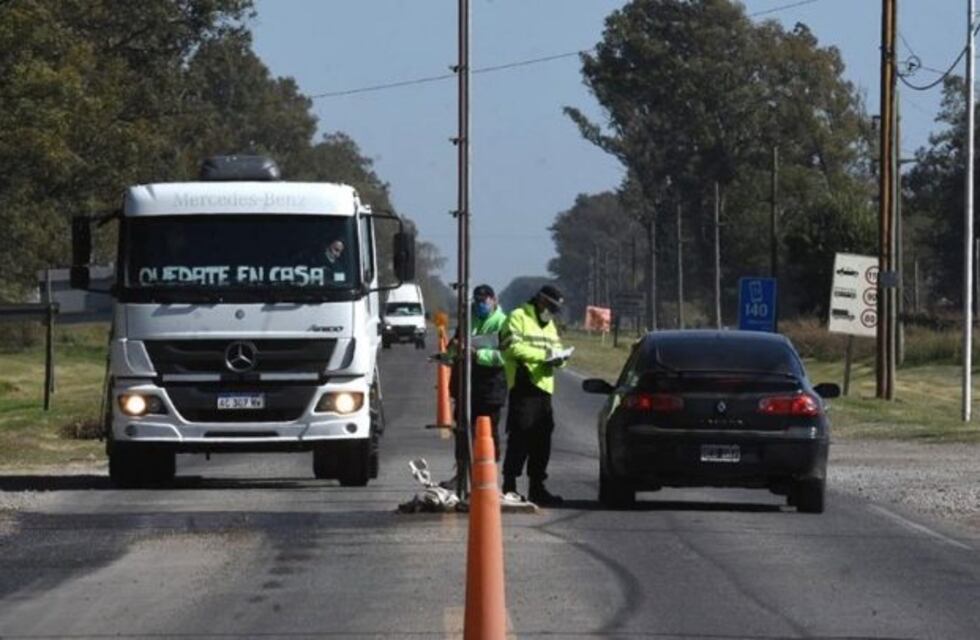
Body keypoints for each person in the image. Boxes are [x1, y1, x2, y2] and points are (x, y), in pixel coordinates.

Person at [500, 284, 568, 506]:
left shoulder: (549, 325)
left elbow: (556, 347)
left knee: (543, 440)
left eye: (555, 309)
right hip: (523, 384)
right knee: (520, 436)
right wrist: (542, 356)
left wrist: (561, 358)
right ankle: (509, 486)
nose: (552, 312)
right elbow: (510, 348)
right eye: (550, 306)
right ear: (540, 300)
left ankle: (537, 487)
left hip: (544, 388)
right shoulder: (518, 317)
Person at [443, 285, 508, 489]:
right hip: (465, 384)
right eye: (477, 301)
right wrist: (453, 350)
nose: (480, 304)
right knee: (462, 431)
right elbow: (452, 349)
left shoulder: (503, 323)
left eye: (484, 300)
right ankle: (461, 475)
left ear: (494, 300)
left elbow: (506, 356)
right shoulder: (467, 319)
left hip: (490, 386)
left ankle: (488, 479)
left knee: (488, 433)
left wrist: (478, 355)